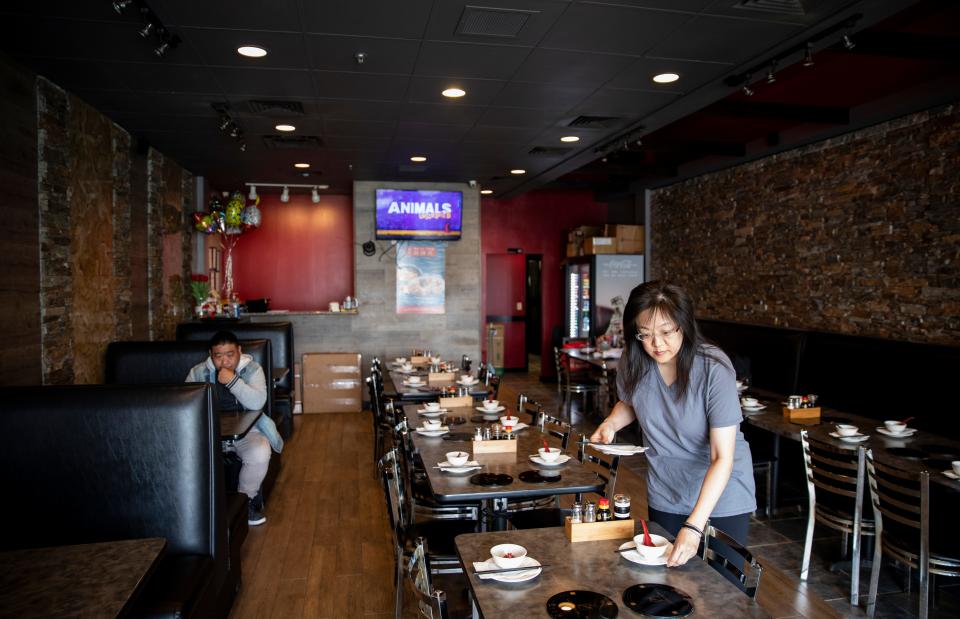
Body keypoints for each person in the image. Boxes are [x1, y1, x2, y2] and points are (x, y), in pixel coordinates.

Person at [591, 281, 755, 569]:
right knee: (666, 586)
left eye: (667, 332)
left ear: (684, 325)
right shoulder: (634, 358)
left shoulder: (713, 369)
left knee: (722, 595)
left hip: (721, 498)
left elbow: (722, 457)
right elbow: (630, 401)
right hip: (666, 490)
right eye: (646, 334)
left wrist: (694, 527)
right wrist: (610, 424)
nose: (657, 344)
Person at [186, 330, 283, 526]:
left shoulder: (253, 369)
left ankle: (246, 500)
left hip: (248, 430)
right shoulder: (198, 372)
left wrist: (232, 381)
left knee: (260, 452)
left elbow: (257, 403)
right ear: (211, 355)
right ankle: (198, 514)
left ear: (239, 351)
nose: (224, 361)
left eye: (230, 355)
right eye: (218, 356)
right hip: (209, 432)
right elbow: (188, 407)